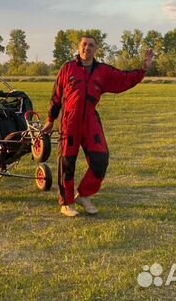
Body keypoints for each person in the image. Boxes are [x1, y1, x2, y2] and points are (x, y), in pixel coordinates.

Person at [43, 35, 154, 217]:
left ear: (96, 50)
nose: (87, 48)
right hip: (69, 122)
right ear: (79, 47)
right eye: (84, 44)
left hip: (90, 122)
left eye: (91, 45)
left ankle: (84, 195)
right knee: (67, 163)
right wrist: (50, 119)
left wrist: (143, 69)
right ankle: (67, 202)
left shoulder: (103, 71)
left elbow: (123, 79)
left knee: (100, 160)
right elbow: (56, 95)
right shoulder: (67, 68)